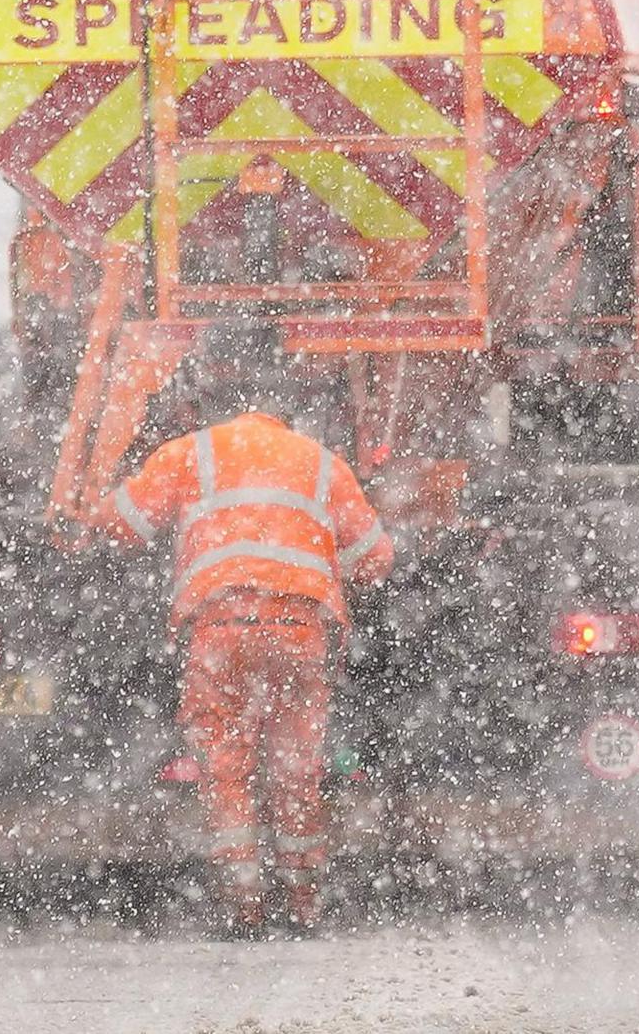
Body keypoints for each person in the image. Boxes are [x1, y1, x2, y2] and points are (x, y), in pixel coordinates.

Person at [87, 317, 393, 934]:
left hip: (221, 628)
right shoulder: (321, 463)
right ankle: (304, 904)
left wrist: (91, 510)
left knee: (226, 762)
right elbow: (376, 560)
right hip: (302, 633)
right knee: (294, 764)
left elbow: (118, 525)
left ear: (217, 406)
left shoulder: (191, 454)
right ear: (285, 412)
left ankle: (245, 904)